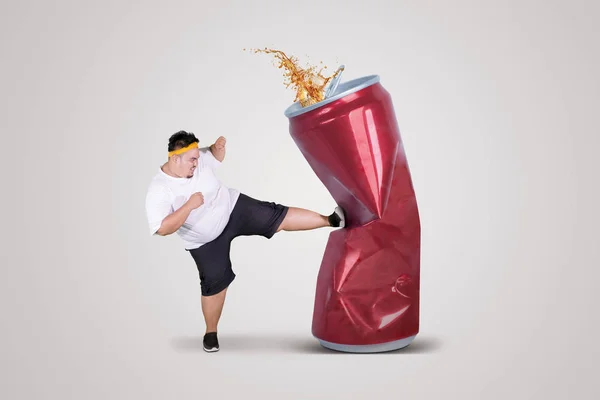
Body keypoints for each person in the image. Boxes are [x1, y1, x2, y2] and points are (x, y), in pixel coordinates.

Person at [145, 130, 345, 352]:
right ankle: (210, 333)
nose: (197, 162)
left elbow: (214, 157)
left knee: (276, 215)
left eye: (197, 157)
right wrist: (188, 206)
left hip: (232, 207)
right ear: (175, 158)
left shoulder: (197, 159)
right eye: (192, 159)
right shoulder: (159, 189)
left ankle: (331, 220)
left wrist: (218, 149)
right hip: (205, 241)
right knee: (215, 284)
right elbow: (162, 229)